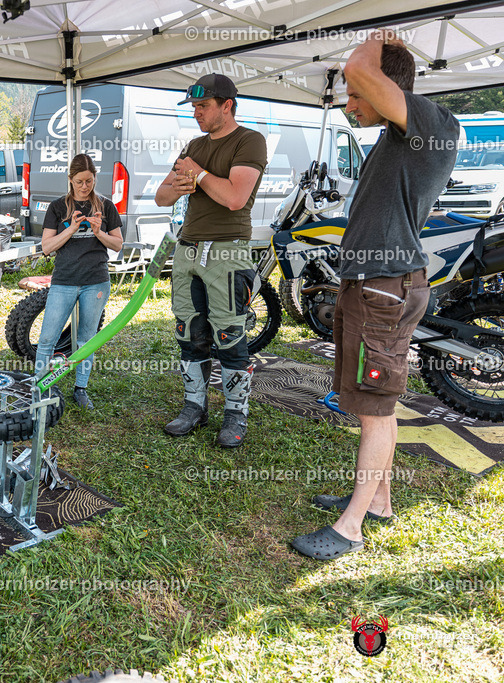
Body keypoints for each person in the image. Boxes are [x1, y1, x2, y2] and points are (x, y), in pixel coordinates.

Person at [290, 31, 460, 560]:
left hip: (384, 289)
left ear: (385, 86)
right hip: (368, 285)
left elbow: (362, 71)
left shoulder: (432, 124)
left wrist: (372, 41)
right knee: (365, 402)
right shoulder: (396, 135)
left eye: (355, 94)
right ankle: (379, 500)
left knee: (378, 411)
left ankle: (350, 527)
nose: (348, 103)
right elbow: (363, 79)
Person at [154, 73, 267, 447]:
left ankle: (235, 415)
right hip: (188, 250)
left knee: (230, 336)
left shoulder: (250, 141)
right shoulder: (193, 145)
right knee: (189, 332)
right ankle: (194, 407)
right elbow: (161, 197)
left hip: (227, 250)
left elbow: (235, 197)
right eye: (194, 107)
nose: (197, 113)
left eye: (203, 106)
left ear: (227, 105)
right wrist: (180, 184)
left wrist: (198, 175)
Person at [35, 153, 124, 409]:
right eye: (79, 182)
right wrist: (71, 228)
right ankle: (40, 386)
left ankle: (81, 388)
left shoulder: (106, 206)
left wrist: (99, 232)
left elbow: (117, 245)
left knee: (86, 339)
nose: (85, 186)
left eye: (89, 180)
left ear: (95, 177)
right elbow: (47, 247)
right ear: (70, 180)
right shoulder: (57, 207)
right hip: (64, 280)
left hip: (95, 280)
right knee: (47, 338)